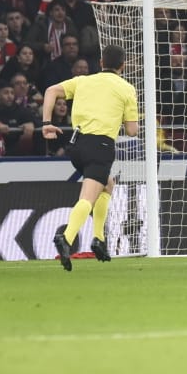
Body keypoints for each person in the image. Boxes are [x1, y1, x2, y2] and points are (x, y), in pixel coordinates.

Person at [40, 44, 140, 270]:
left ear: (101, 63)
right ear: (122, 66)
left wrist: (46, 123)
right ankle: (66, 237)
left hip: (76, 145)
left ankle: (99, 239)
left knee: (108, 184)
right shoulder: (126, 89)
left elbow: (50, 91)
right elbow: (132, 131)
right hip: (101, 146)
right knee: (88, 197)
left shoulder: (82, 80)